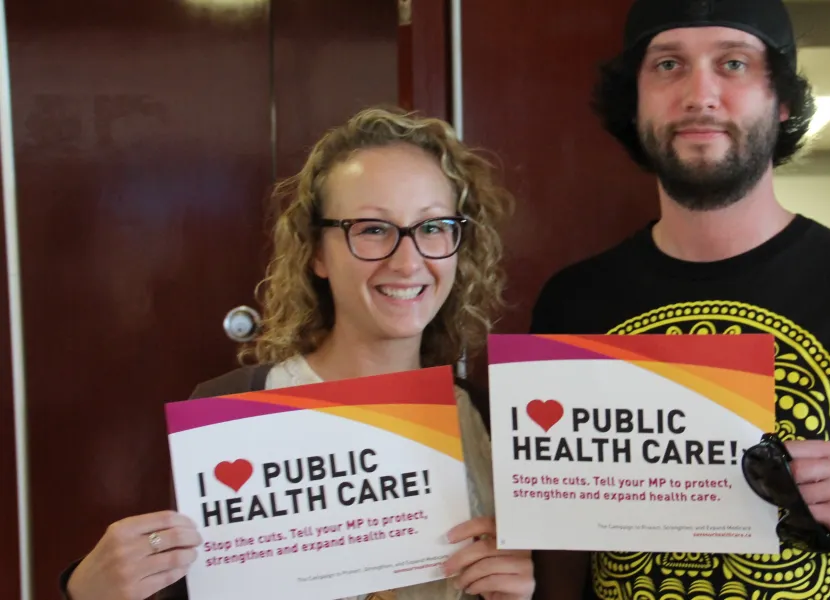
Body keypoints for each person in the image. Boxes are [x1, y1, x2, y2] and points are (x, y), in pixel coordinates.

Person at [527, 0, 830, 598]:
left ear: (783, 102)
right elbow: (562, 541)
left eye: (734, 64)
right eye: (668, 64)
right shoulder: (572, 304)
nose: (700, 93)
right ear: (634, 101)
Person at [59, 106, 536, 600]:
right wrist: (86, 593)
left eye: (433, 227)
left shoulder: (489, 424)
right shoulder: (231, 412)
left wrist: (524, 595)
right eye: (373, 229)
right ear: (316, 253)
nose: (409, 259)